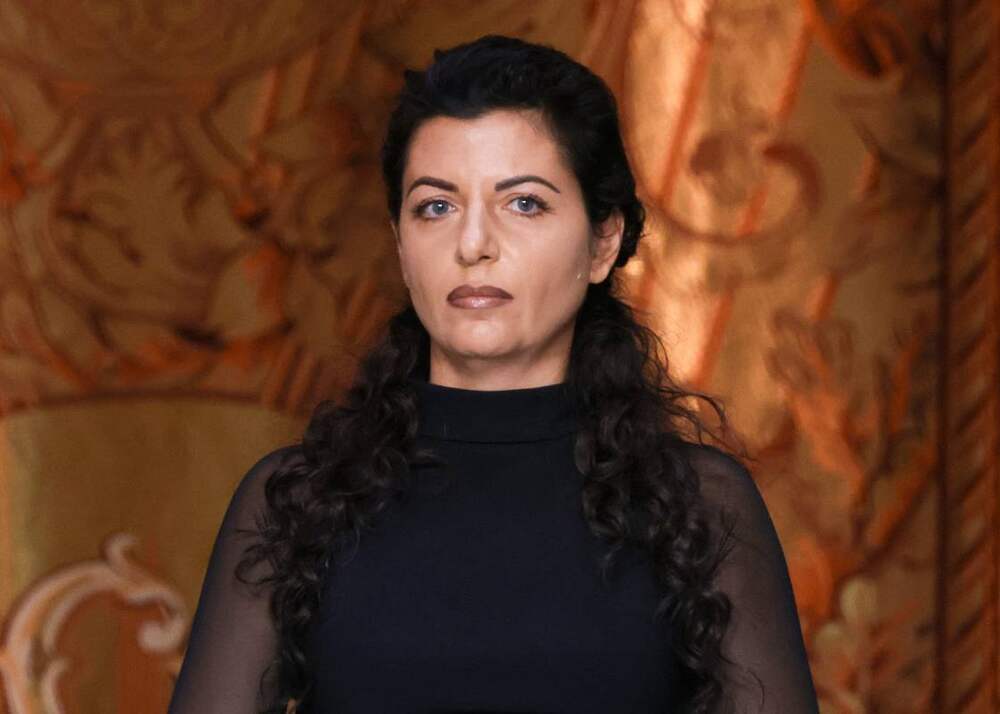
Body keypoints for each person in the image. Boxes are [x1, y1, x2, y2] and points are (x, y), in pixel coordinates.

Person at [167, 34, 819, 714]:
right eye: (436, 206)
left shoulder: (700, 506)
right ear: (401, 244)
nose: (473, 244)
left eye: (524, 203)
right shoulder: (298, 501)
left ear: (603, 243)